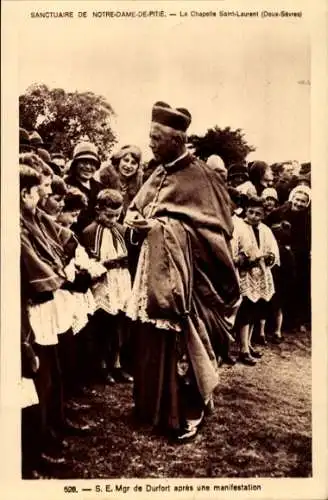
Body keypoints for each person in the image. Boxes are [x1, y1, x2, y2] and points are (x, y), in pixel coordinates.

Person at [124, 101, 240, 441]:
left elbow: (215, 235)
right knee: (151, 338)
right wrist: (137, 224)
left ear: (178, 140)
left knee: (183, 343)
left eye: (156, 138)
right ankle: (152, 407)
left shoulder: (202, 177)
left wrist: (161, 228)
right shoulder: (156, 172)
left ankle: (188, 410)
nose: (150, 144)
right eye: (150, 137)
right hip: (153, 273)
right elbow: (137, 210)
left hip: (189, 282)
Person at [81, 189, 133, 384]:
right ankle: (102, 365)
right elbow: (89, 260)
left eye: (116, 216)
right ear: (98, 210)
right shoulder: (90, 232)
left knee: (120, 324)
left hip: (120, 282)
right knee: (103, 325)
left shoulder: (121, 230)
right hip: (102, 284)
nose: (112, 220)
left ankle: (118, 363)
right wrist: (107, 264)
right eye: (108, 215)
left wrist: (123, 261)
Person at [232, 196, 279, 364]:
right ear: (245, 211)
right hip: (245, 276)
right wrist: (244, 258)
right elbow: (233, 252)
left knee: (255, 310)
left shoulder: (265, 230)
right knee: (245, 311)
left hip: (260, 275)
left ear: (263, 215)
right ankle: (243, 349)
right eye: (250, 212)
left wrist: (268, 257)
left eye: (258, 214)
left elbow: (273, 252)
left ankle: (248, 343)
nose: (253, 216)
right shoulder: (238, 227)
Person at [266, 185, 311, 331]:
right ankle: (274, 322)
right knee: (280, 287)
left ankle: (294, 321)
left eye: (303, 201)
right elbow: (266, 226)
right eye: (297, 199)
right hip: (280, 255)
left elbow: (309, 239)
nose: (299, 203)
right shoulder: (279, 212)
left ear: (308, 203)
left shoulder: (309, 218)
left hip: (300, 257)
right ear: (292, 198)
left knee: (298, 287)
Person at [65, 141, 102, 234]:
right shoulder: (66, 185)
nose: (88, 167)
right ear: (75, 164)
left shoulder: (100, 188)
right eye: (84, 162)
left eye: (92, 163)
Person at [99, 145, 143, 220]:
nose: (128, 166)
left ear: (137, 167)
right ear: (119, 160)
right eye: (126, 160)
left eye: (133, 163)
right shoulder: (105, 178)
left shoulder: (138, 183)